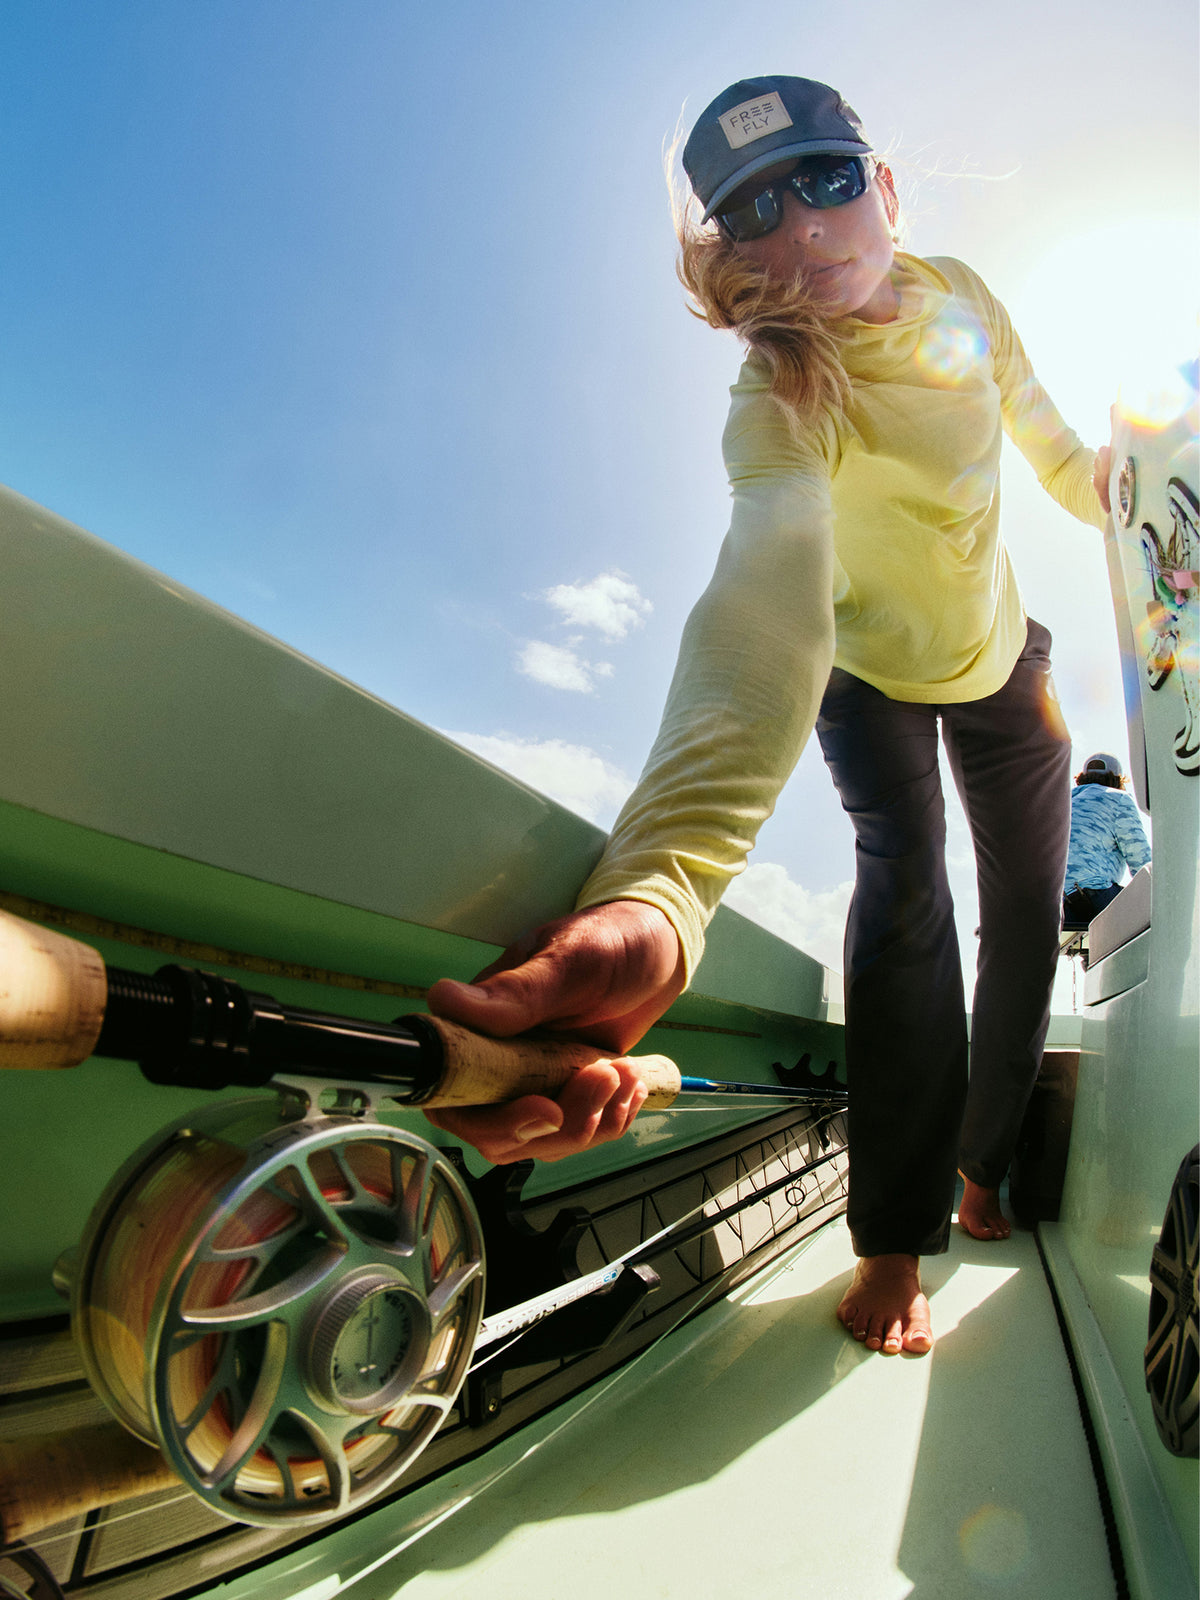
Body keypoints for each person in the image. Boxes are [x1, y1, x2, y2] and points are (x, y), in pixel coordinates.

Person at [423, 75, 1112, 1357]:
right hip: (864, 674)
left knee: (1027, 909)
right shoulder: (779, 396)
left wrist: (1124, 488)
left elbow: (1060, 455)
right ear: (734, 249)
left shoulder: (964, 298)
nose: (801, 228)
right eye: (753, 213)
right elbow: (761, 610)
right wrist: (662, 890)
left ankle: (984, 1163)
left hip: (1005, 660)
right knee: (907, 902)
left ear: (885, 188)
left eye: (827, 180)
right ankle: (895, 1238)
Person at [1062, 752, 1151, 924]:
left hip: (1057, 903)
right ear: (1118, 780)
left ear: (1081, 778)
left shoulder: (1062, 802)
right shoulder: (1118, 798)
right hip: (1095, 895)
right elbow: (1140, 861)